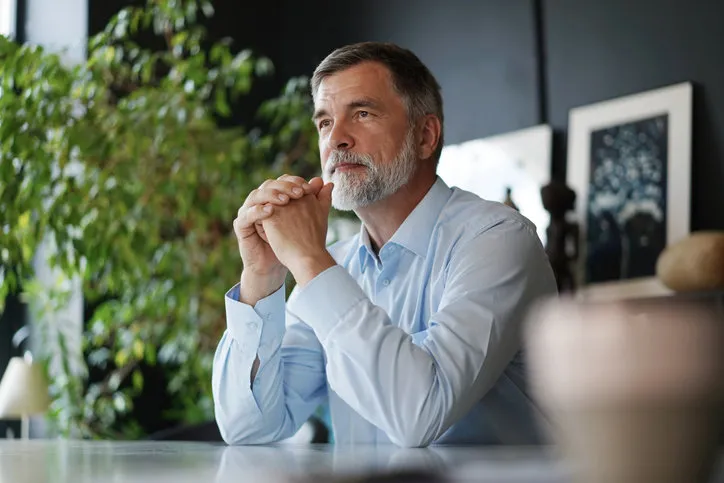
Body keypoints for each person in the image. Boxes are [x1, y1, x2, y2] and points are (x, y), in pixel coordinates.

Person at [212, 41, 558, 447]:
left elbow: (420, 414)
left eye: (361, 113)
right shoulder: (333, 266)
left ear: (426, 136)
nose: (336, 139)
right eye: (324, 122)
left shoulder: (498, 240)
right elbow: (248, 428)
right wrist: (263, 276)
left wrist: (308, 260)